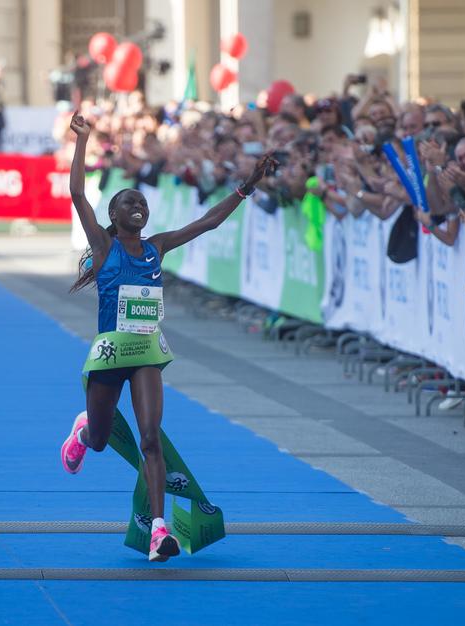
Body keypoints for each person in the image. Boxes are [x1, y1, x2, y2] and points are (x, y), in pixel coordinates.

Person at [60, 111, 275, 561]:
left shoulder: (158, 246)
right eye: (128, 202)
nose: (138, 205)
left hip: (145, 353)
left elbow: (209, 222)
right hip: (108, 353)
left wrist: (247, 186)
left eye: (142, 201)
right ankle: (83, 434)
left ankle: (159, 531)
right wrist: (82, 141)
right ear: (114, 216)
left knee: (151, 437)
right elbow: (78, 192)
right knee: (101, 440)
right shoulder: (104, 246)